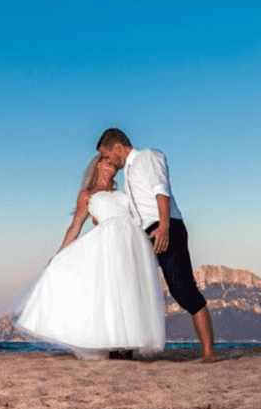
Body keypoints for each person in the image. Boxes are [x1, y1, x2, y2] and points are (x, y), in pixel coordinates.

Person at [13, 156, 166, 359]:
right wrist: (59, 254)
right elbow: (75, 226)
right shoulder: (87, 195)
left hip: (130, 243)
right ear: (98, 165)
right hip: (107, 244)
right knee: (110, 292)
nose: (112, 164)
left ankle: (128, 345)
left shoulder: (123, 193)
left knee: (129, 290)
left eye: (114, 162)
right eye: (107, 161)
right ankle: (113, 345)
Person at [96, 128, 216, 363]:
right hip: (145, 234)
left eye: (107, 155)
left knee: (182, 291)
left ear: (118, 148)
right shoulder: (128, 171)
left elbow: (161, 191)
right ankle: (126, 348)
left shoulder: (148, 157)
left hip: (165, 228)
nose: (107, 160)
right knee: (130, 287)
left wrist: (164, 227)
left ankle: (209, 353)